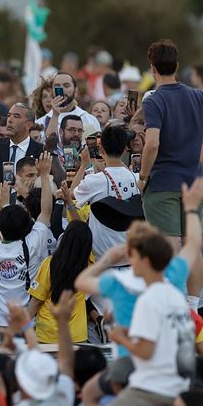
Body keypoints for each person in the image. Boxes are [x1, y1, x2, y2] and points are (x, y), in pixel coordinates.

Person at [107, 224, 195, 404]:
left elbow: (145, 352)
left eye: (133, 255)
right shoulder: (177, 297)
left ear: (145, 261)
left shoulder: (148, 300)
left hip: (152, 389)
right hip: (179, 385)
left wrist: (119, 338)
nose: (130, 261)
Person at [0, 152, 53, 329]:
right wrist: (45, 176)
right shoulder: (33, 242)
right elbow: (46, 211)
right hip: (28, 323)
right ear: (28, 225)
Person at [139, 39, 203, 244]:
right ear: (176, 66)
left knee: (167, 254)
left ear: (152, 69)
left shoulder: (153, 100)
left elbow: (152, 144)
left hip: (163, 184)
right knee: (193, 251)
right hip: (194, 183)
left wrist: (142, 177)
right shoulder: (198, 96)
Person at [72, 124, 140, 261]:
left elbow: (71, 194)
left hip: (103, 261)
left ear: (101, 148)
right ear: (125, 149)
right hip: (133, 258)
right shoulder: (138, 178)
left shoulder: (93, 180)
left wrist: (84, 165)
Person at [28, 221, 92, 344]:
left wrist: (22, 327)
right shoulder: (88, 268)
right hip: (77, 336)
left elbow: (36, 301)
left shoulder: (49, 264)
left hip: (47, 336)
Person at [0, 103, 43, 189]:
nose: (10, 120)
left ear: (28, 125)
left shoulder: (41, 151)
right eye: (9, 115)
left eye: (16, 116)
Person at [36, 72, 101, 137]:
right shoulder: (40, 123)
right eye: (57, 86)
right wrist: (55, 115)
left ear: (75, 91)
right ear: (52, 92)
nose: (62, 89)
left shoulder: (90, 120)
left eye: (66, 86)